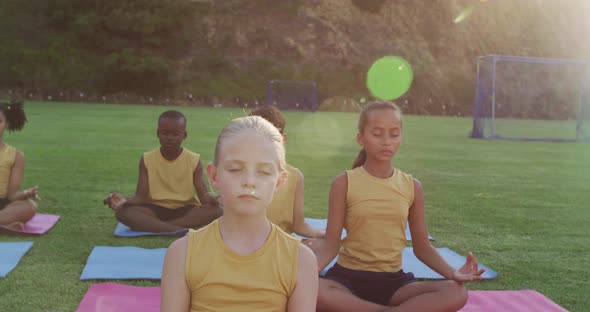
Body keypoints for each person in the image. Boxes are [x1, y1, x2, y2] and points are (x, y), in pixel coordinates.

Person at [307, 101, 484, 311]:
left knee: (455, 292)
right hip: (346, 280)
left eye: (394, 134)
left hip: (394, 284)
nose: (386, 141)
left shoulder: (412, 186)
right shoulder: (343, 183)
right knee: (313, 289)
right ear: (360, 138)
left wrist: (453, 273)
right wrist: (307, 274)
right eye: (377, 133)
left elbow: (423, 248)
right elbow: (330, 244)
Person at [161, 116, 318, 311]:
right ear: (214, 175)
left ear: (280, 181)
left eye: (264, 171)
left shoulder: (300, 260)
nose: (249, 181)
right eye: (235, 169)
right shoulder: (182, 253)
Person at [103, 110, 221, 232]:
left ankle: (160, 227)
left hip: (186, 209)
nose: (169, 138)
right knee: (122, 212)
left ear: (184, 135)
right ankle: (177, 229)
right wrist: (124, 200)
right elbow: (140, 197)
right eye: (165, 133)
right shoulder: (146, 159)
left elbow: (204, 198)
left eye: (175, 134)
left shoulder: (193, 159)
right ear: (158, 133)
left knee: (217, 211)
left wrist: (218, 198)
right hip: (155, 209)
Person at [250, 105, 324, 238]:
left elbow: (299, 225)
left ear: (282, 139)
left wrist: (322, 235)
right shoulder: (239, 173)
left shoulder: (294, 177)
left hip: (279, 246)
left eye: (272, 135)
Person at [0, 100, 39, 231]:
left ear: (6, 124)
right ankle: (5, 226)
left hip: (3, 205)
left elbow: (12, 195)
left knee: (30, 207)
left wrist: (25, 193)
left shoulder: (17, 156)